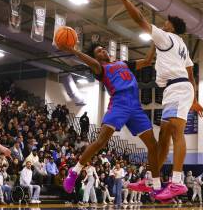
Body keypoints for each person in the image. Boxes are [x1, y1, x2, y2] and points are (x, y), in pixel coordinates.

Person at [114, 0, 203, 200]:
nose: (163, 23)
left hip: (177, 88)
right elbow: (192, 74)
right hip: (177, 89)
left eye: (166, 22)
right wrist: (194, 98)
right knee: (163, 137)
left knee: (175, 133)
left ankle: (177, 182)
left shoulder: (167, 37)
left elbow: (139, 20)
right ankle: (152, 181)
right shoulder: (180, 45)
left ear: (171, 27)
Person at [60, 39, 159, 194]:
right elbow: (90, 62)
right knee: (100, 142)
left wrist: (155, 42)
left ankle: (154, 184)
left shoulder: (123, 63)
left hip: (135, 106)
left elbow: (147, 61)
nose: (103, 51)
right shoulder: (100, 68)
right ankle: (75, 171)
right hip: (118, 104)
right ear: (96, 57)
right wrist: (73, 50)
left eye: (103, 49)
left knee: (153, 145)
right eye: (99, 51)